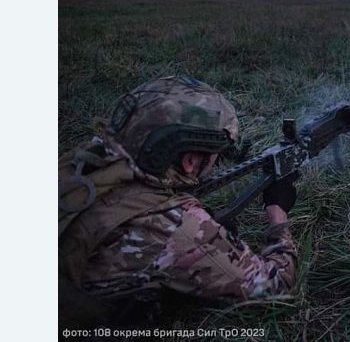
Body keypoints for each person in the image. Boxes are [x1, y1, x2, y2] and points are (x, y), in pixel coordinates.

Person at [58, 76, 298, 327]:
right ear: (190, 161)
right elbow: (274, 288)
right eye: (215, 152)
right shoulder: (174, 226)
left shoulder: (83, 162)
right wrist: (278, 213)